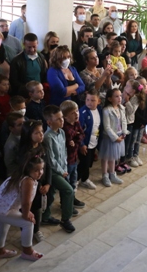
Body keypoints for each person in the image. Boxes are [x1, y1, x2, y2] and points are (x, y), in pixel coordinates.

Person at [0, 155, 44, 261]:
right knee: (28, 223)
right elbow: (25, 203)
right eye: (36, 170)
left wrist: (28, 212)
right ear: (28, 170)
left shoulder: (21, 175)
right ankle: (27, 252)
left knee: (3, 228)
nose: (40, 172)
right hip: (2, 210)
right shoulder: (28, 181)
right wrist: (26, 215)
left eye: (41, 169)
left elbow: (28, 200)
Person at [42, 105, 76, 233]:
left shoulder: (61, 132)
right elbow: (51, 160)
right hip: (53, 172)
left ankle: (45, 216)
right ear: (49, 122)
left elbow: (64, 152)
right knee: (68, 190)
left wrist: (65, 168)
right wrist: (62, 172)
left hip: (62, 169)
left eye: (62, 117)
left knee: (51, 195)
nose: (62, 120)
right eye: (58, 119)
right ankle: (65, 220)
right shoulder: (47, 137)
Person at [60, 100, 86, 209]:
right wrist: (76, 136)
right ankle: (65, 204)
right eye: (72, 113)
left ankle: (72, 198)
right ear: (65, 117)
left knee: (73, 182)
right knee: (67, 184)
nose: (76, 114)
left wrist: (76, 138)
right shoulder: (65, 128)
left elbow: (82, 134)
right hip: (67, 161)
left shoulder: (77, 123)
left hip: (75, 159)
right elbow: (69, 145)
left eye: (77, 111)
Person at [99, 89, 126, 187]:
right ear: (110, 99)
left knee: (113, 156)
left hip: (119, 135)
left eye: (120, 96)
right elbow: (107, 127)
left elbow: (124, 121)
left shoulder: (121, 108)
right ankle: (105, 175)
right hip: (109, 137)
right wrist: (115, 138)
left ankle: (112, 174)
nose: (120, 98)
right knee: (106, 157)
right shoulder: (106, 110)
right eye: (116, 96)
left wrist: (124, 132)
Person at [78, 89, 102, 190]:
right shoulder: (82, 112)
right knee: (84, 163)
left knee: (89, 163)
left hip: (94, 142)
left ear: (98, 101)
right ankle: (75, 181)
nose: (89, 102)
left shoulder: (99, 110)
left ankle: (85, 179)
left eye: (93, 100)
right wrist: (82, 144)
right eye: (87, 100)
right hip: (85, 144)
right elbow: (79, 130)